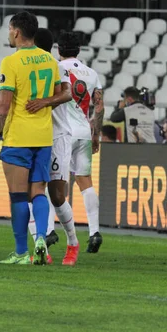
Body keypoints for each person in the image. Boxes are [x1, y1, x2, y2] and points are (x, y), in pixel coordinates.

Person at [0, 11, 64, 266]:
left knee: (19, 197)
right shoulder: (49, 59)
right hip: (43, 137)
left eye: (9, 29)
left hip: (18, 136)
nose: (9, 34)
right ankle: (41, 238)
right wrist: (44, 102)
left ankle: (21, 252)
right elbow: (60, 95)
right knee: (38, 192)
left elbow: (3, 106)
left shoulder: (11, 62)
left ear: (17, 31)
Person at [30, 30, 104, 255]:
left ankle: (50, 229)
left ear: (58, 49)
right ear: (79, 50)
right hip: (83, 130)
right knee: (85, 182)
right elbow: (99, 107)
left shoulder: (55, 67)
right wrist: (95, 135)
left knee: (53, 183)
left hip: (61, 132)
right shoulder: (92, 73)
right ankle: (94, 231)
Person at [25, 27, 80, 265]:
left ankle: (73, 243)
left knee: (57, 196)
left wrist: (43, 103)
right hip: (32, 137)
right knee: (30, 193)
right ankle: (42, 247)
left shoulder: (57, 67)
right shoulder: (24, 66)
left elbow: (68, 94)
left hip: (57, 136)